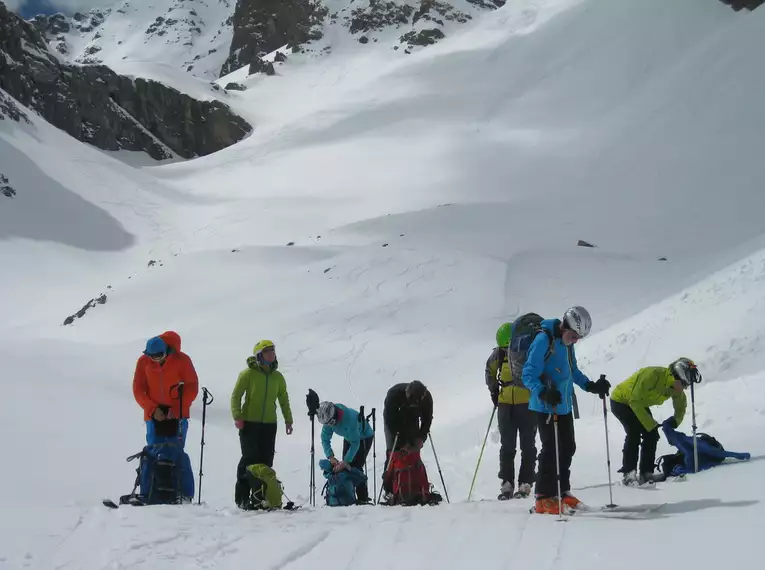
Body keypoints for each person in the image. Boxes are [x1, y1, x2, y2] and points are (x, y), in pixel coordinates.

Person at [522, 306, 610, 514]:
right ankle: (543, 497)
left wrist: (590, 386)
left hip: (563, 405)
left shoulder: (567, 345)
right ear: (564, 326)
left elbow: (573, 371)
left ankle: (561, 491)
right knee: (551, 450)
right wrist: (542, 392)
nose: (575, 340)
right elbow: (528, 374)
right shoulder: (544, 341)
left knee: (568, 447)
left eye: (578, 337)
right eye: (573, 335)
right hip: (545, 405)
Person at [609, 358, 696, 486]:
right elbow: (634, 400)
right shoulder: (652, 375)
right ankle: (629, 474)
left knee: (652, 434)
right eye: (684, 384)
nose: (684, 388)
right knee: (634, 433)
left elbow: (681, 406)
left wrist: (675, 421)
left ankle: (646, 473)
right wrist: (650, 424)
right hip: (621, 400)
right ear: (677, 376)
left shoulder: (675, 387)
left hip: (639, 403)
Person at [230, 340, 294, 508]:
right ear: (259, 355)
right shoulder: (248, 374)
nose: (271, 354)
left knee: (266, 461)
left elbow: (283, 399)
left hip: (270, 424)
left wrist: (288, 420)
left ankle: (260, 497)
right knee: (249, 460)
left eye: (273, 350)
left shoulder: (278, 377)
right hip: (249, 423)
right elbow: (236, 396)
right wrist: (237, 416)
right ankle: (243, 498)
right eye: (267, 351)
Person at [486, 322, 537, 499]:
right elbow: (490, 371)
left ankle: (525, 482)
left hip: (525, 404)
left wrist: (494, 391)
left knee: (526, 445)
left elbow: (489, 372)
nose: (508, 350)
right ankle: (508, 483)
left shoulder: (527, 350)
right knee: (508, 445)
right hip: (508, 404)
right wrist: (494, 390)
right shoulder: (498, 354)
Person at [133, 330, 199, 447]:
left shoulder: (182, 360)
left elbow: (192, 386)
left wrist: (177, 408)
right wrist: (152, 409)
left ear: (167, 350)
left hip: (177, 415)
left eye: (160, 356)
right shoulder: (143, 362)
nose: (157, 360)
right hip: (154, 416)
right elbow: (138, 389)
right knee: (154, 453)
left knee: (175, 454)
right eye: (153, 358)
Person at [317, 401, 375, 504]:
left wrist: (346, 461)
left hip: (363, 437)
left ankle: (363, 498)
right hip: (349, 438)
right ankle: (348, 495)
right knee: (344, 469)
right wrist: (330, 456)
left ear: (334, 416)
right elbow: (324, 438)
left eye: (330, 423)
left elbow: (355, 443)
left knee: (356, 466)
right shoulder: (329, 420)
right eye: (327, 424)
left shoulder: (349, 420)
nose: (328, 426)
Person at [381, 380, 433, 494]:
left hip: (413, 418)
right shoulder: (393, 395)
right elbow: (391, 422)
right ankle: (389, 489)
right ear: (406, 392)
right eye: (410, 400)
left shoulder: (427, 399)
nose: (412, 403)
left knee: (413, 451)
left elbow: (427, 420)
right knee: (394, 452)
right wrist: (402, 442)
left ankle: (414, 485)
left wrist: (421, 438)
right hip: (395, 419)